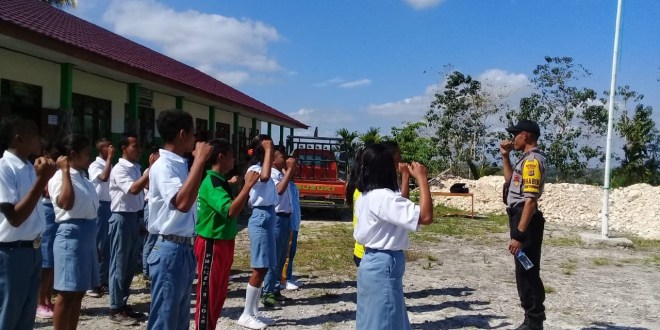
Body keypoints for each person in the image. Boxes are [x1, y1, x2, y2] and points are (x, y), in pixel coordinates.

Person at [354, 143, 433, 330]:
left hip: (371, 261)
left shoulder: (367, 195)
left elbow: (399, 208)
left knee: (376, 318)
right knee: (386, 319)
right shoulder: (382, 197)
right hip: (383, 263)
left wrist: (405, 178)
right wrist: (422, 179)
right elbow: (426, 216)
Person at [146, 109, 212, 330]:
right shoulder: (164, 166)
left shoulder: (180, 165)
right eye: (193, 133)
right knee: (165, 318)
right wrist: (200, 161)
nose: (196, 139)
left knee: (179, 318)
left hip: (183, 248)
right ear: (182, 134)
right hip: (170, 248)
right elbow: (181, 203)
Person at [194, 138, 260, 330]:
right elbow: (229, 211)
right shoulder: (211, 182)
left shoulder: (221, 180)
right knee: (208, 295)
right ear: (221, 157)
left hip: (224, 242)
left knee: (219, 293)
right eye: (231, 155)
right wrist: (247, 187)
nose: (234, 159)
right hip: (212, 243)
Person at [0, 116, 56, 330]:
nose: (40, 140)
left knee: (25, 316)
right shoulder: (4, 168)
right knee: (8, 314)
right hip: (12, 252)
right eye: (35, 135)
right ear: (19, 139)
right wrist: (42, 180)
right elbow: (14, 218)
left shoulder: (28, 168)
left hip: (32, 250)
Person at [49, 134, 101, 330]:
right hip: (71, 236)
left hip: (86, 235)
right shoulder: (60, 177)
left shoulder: (83, 176)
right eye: (86, 153)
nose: (90, 157)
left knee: (79, 291)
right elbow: (66, 203)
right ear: (72, 154)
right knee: (67, 292)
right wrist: (63, 172)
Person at [500, 120, 546, 330]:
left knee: (527, 269)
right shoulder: (524, 160)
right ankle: (531, 317)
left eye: (516, 134)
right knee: (523, 268)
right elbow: (511, 183)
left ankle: (534, 319)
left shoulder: (532, 162)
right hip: (518, 217)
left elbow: (530, 201)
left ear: (525, 135)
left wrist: (519, 235)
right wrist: (505, 157)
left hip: (525, 220)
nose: (513, 138)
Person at [107, 133, 152, 325]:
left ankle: (123, 302)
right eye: (135, 146)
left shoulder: (136, 168)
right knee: (119, 263)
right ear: (124, 148)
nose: (139, 150)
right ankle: (115, 306)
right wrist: (150, 171)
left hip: (133, 217)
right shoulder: (119, 169)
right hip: (122, 218)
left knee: (129, 265)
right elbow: (133, 189)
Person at [237, 134, 277, 330]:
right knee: (259, 267)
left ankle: (254, 311)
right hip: (260, 217)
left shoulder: (263, 167)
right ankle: (246, 313)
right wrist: (268, 150)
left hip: (269, 215)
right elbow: (265, 176)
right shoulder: (254, 169)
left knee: (265, 266)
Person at [348, 142, 409, 267]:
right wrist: (410, 177)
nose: (401, 162)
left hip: (367, 252)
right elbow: (406, 208)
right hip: (371, 253)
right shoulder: (377, 194)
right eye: (398, 158)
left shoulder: (367, 189)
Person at [261, 145, 296, 307]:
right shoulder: (272, 174)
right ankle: (267, 291)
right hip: (277, 218)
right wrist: (289, 171)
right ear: (273, 160)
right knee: (274, 257)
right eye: (282, 157)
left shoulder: (281, 173)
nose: (286, 160)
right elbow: (279, 191)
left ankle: (275, 289)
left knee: (282, 256)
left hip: (286, 218)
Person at [36, 143, 61, 319]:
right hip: (48, 213)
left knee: (52, 263)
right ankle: (40, 301)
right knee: (46, 262)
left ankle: (47, 298)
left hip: (55, 213)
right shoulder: (42, 170)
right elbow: (45, 192)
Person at [87, 138, 114, 297]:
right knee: (98, 245)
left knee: (107, 246)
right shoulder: (95, 165)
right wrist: (110, 158)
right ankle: (92, 283)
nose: (111, 149)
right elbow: (103, 178)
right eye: (107, 148)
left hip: (109, 205)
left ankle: (102, 280)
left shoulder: (110, 165)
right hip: (100, 206)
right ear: (101, 149)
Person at [281, 172, 302, 290]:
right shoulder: (285, 183)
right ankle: (284, 279)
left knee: (292, 252)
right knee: (287, 253)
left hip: (294, 223)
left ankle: (288, 276)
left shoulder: (292, 184)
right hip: (289, 223)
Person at [141, 145, 159, 281]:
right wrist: (151, 166)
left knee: (157, 239)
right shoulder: (149, 170)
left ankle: (153, 266)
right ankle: (146, 269)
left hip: (157, 207)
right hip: (149, 206)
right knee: (151, 238)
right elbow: (147, 185)